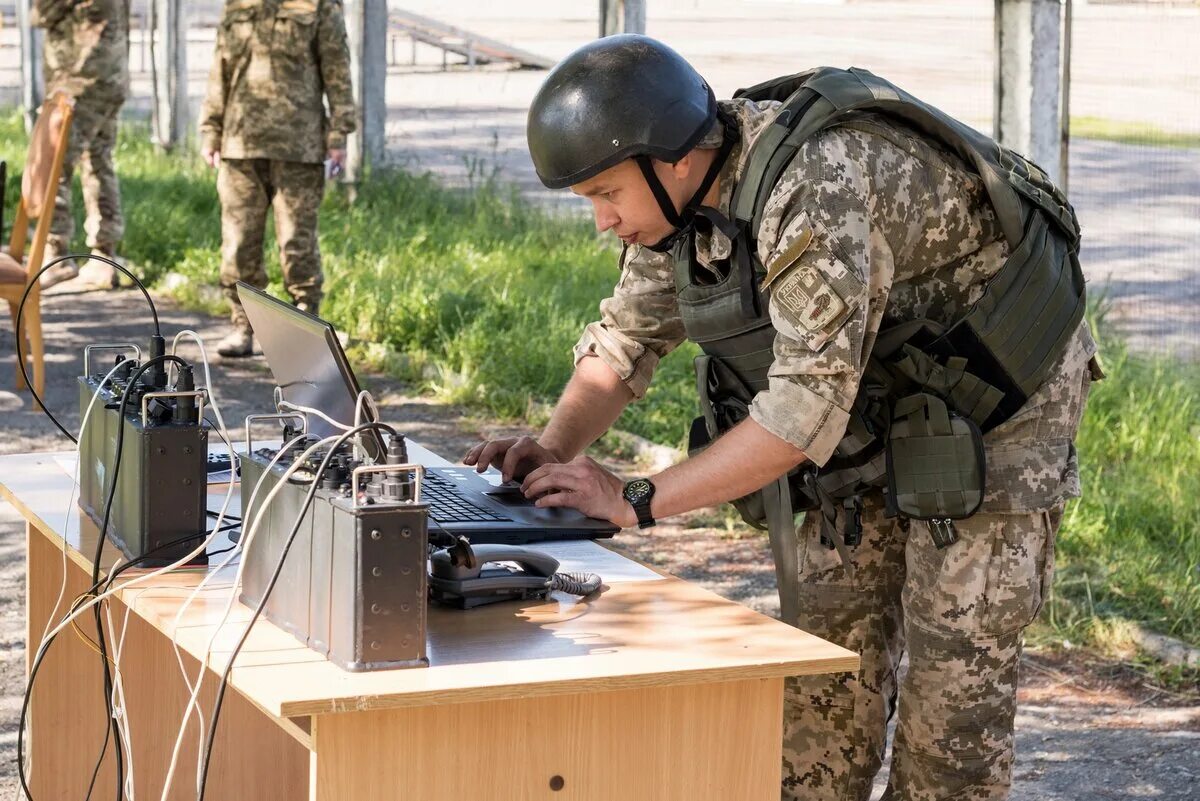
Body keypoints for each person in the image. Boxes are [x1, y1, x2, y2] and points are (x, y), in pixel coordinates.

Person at [464, 36, 1102, 801]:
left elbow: (801, 412)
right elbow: (626, 341)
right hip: (874, 393)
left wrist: (636, 499)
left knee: (949, 707)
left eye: (606, 193)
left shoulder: (814, 190)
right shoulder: (675, 210)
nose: (603, 220)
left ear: (670, 157)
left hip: (1002, 400)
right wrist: (547, 450)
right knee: (820, 683)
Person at [199, 0, 356, 358]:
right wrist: (211, 129)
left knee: (297, 244)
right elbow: (220, 66)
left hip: (298, 146)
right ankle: (243, 325)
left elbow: (337, 68)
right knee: (239, 244)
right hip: (240, 143)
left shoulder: (319, 5)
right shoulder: (238, 4)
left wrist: (338, 136)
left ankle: (305, 326)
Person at [34, 0, 129, 290]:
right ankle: (104, 255)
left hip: (80, 78)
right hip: (107, 74)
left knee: (53, 160)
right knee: (98, 160)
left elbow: (43, 12)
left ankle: (56, 253)